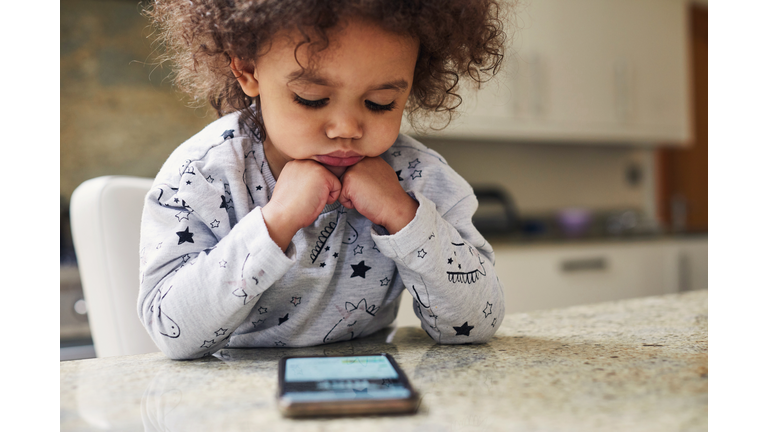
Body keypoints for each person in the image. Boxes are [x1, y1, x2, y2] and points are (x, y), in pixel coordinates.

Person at [139, 0, 511, 360]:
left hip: (367, 392)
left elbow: (478, 321)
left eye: (380, 102)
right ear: (248, 69)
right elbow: (172, 332)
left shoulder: (419, 177)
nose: (346, 129)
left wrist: (404, 215)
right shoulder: (201, 177)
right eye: (312, 98)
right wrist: (276, 222)